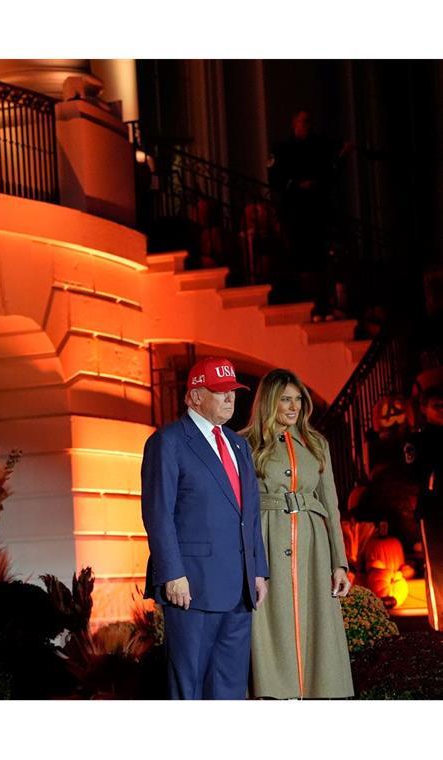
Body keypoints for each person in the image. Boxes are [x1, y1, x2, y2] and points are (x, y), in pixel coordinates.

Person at [142, 357, 269, 699]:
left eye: (234, 391)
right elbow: (158, 513)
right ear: (195, 397)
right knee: (190, 684)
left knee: (230, 686)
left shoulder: (239, 445)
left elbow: (250, 515)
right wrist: (172, 574)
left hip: (239, 588)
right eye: (221, 391)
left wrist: (258, 571)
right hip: (192, 587)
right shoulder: (167, 442)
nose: (231, 398)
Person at [242, 368, 353, 698]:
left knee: (315, 622)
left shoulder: (316, 443)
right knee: (270, 624)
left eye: (298, 400)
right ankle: (275, 694)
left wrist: (340, 563)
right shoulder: (246, 443)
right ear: (269, 403)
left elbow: (330, 505)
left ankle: (316, 696)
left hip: (312, 545)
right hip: (267, 538)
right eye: (285, 400)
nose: (293, 407)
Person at [268, 110, 352, 318]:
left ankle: (323, 302)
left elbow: (329, 174)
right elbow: (275, 177)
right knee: (299, 254)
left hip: (317, 209)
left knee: (318, 256)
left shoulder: (318, 147)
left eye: (310, 122)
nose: (307, 126)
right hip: (295, 210)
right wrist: (297, 185)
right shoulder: (283, 149)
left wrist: (340, 159)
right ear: (294, 123)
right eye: (303, 122)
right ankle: (305, 299)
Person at [406, 368, 443, 631]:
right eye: (436, 406)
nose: (442, 410)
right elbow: (414, 471)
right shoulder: (419, 440)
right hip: (433, 510)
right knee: (438, 567)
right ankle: (440, 623)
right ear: (425, 409)